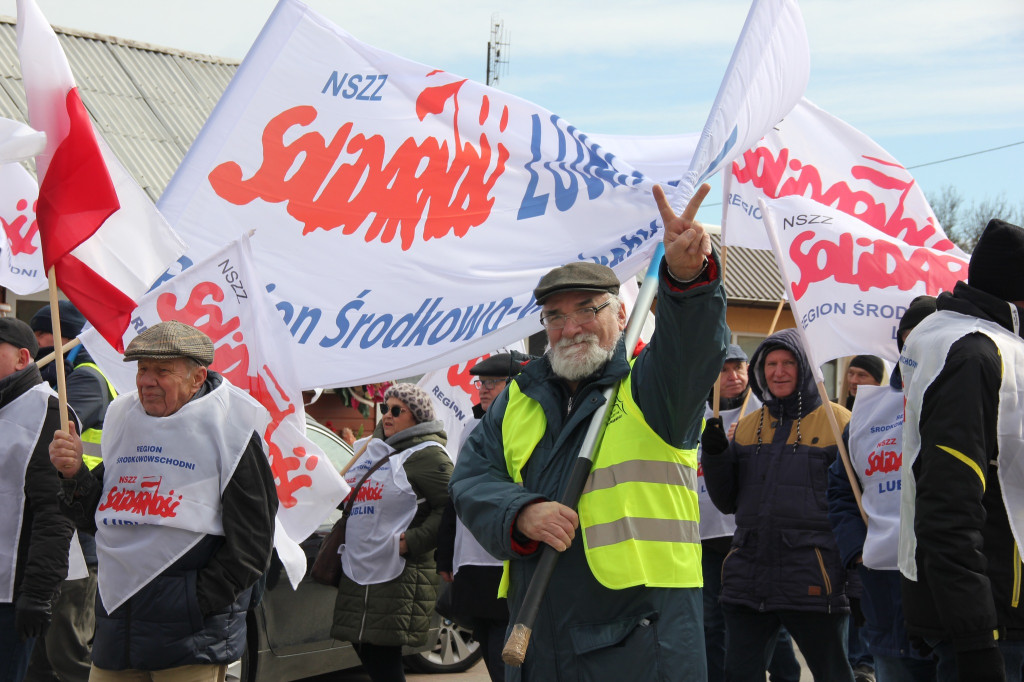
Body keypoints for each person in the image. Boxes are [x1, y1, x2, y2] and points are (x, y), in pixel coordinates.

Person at [450, 183, 729, 680]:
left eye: (588, 309)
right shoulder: (519, 396)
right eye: (555, 315)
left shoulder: (651, 388)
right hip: (536, 637)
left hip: (641, 642)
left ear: (622, 314)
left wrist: (688, 282)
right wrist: (520, 512)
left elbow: (692, 348)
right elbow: (470, 480)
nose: (570, 326)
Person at [48, 320, 278, 681]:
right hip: (117, 627)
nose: (146, 381)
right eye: (142, 369)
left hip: (190, 638)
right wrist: (74, 474)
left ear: (197, 378)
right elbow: (99, 516)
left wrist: (192, 601)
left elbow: (253, 545)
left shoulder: (232, 431)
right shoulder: (126, 420)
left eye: (162, 371)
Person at [898, 219, 1024, 682]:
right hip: (991, 617)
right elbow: (949, 501)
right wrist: (976, 638)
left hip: (983, 606)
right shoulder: (975, 355)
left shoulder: (950, 335)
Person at [702, 327, 855, 682]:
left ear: (805, 367)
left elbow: (853, 502)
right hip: (749, 576)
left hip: (814, 578)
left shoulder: (840, 422)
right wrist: (715, 454)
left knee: (833, 673)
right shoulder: (746, 426)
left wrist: (855, 577)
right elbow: (727, 502)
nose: (778, 372)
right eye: (770, 363)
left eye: (788, 362)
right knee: (738, 673)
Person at [828, 296, 939, 682]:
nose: (915, 351)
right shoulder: (867, 414)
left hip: (947, 591)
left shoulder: (965, 399)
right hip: (885, 591)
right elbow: (841, 491)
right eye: (907, 341)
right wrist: (857, 551)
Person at [331, 383, 453, 682]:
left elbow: (452, 508)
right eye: (385, 408)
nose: (387, 415)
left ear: (417, 417)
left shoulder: (428, 456)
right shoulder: (372, 451)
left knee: (383, 651)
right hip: (360, 565)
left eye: (397, 410)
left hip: (397, 571)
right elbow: (348, 498)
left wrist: (411, 542)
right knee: (362, 643)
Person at [699, 344, 801, 682]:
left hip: (747, 533)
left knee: (766, 613)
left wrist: (746, 443)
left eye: (739, 368)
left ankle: (786, 673)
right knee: (712, 621)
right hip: (706, 536)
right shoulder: (696, 414)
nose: (733, 377)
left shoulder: (765, 412)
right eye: (724, 370)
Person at [26, 301, 116, 682]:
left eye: (42, 334)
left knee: (68, 651)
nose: (37, 342)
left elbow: (42, 431)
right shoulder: (69, 374)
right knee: (39, 657)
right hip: (59, 534)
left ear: (65, 337)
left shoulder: (86, 378)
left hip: (79, 538)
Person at [437, 352, 527, 682]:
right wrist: (446, 554)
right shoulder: (471, 426)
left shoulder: (529, 424)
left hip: (508, 555)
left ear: (515, 385)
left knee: (508, 647)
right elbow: (456, 493)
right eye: (481, 383)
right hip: (472, 557)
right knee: (488, 639)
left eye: (492, 382)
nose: (483, 389)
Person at [0, 319, 75, 682]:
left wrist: (38, 593)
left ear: (22, 358)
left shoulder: (48, 412)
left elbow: (55, 512)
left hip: (11, 595)